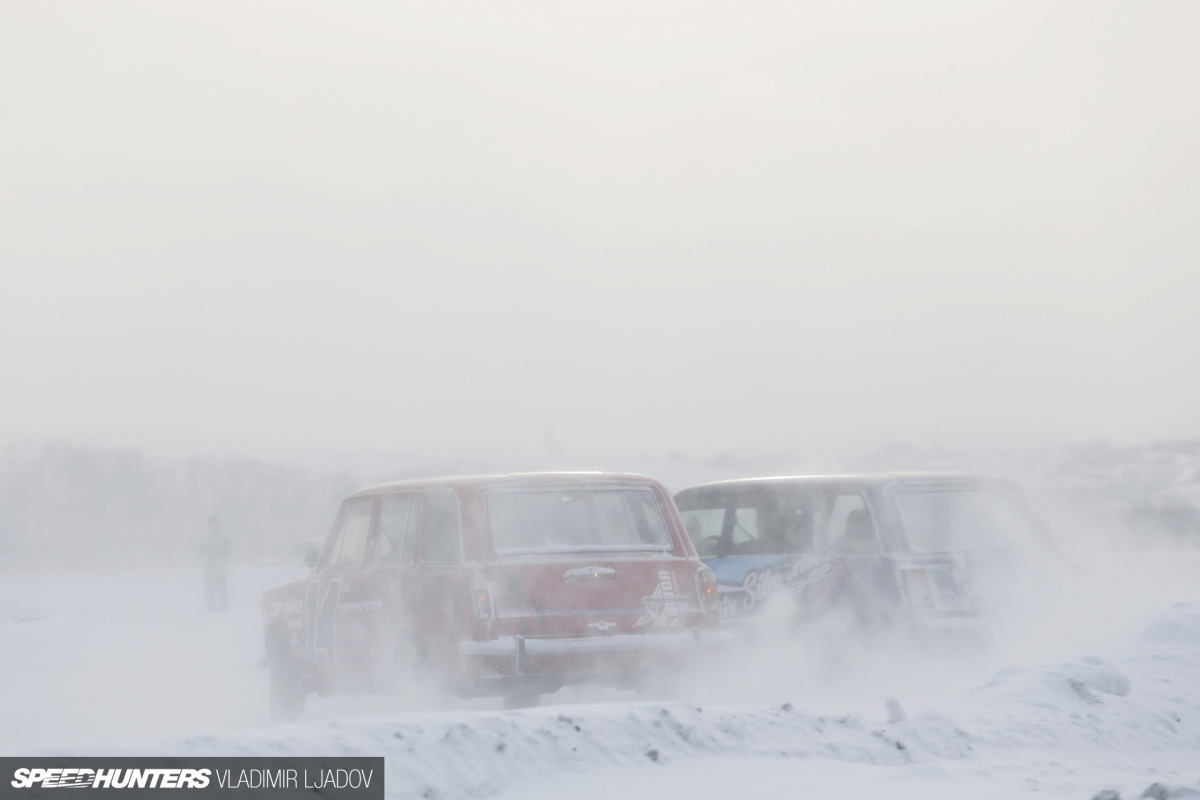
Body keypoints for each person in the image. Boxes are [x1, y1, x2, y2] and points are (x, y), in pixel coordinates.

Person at [199, 515, 233, 612]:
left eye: (215, 524)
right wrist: (207, 550)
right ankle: (211, 610)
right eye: (211, 524)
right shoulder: (205, 538)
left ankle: (224, 611)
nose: (213, 526)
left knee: (222, 592)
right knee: (210, 592)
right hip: (208, 569)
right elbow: (199, 552)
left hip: (221, 569)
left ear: (218, 525)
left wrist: (220, 552)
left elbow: (229, 551)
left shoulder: (224, 537)